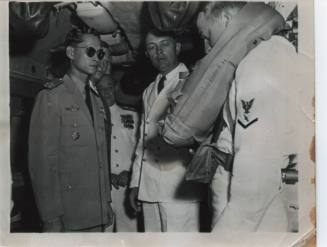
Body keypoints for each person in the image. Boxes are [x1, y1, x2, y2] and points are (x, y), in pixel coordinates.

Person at [193, 2, 303, 231]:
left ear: (226, 20)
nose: (207, 46)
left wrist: (227, 235)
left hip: (250, 216)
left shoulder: (260, 61)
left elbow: (258, 166)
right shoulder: (257, 55)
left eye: (208, 35)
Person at [28, 28, 113, 232]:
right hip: (68, 214)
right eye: (90, 52)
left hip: (96, 212)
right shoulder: (51, 97)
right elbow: (42, 163)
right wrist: (50, 217)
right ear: (71, 53)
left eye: (100, 53)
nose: (97, 58)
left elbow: (101, 157)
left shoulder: (97, 99)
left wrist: (106, 204)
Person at [128, 29, 203, 232]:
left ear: (177, 47)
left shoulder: (193, 80)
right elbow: (142, 139)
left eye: (164, 44)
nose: (158, 52)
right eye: (152, 47)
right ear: (147, 54)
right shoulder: (149, 91)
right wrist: (136, 182)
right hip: (149, 186)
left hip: (177, 184)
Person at [90, 41, 139, 232]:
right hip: (103, 187)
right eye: (101, 89)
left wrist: (130, 173)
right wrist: (105, 176)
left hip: (128, 185)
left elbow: (140, 150)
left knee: (131, 233)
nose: (106, 92)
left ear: (116, 88)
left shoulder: (133, 115)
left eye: (109, 87)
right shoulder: (92, 119)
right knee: (104, 233)